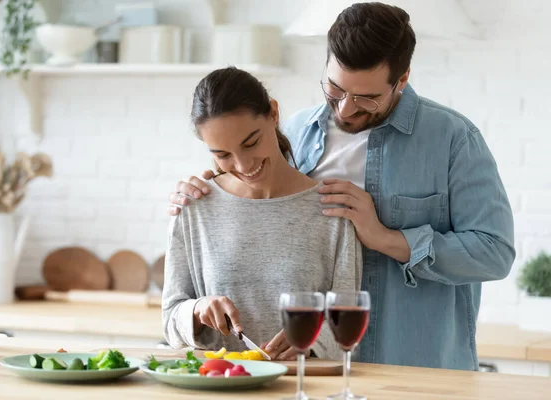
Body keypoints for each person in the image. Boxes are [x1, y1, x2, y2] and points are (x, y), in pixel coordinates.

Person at [166, 2, 515, 371]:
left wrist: (385, 238)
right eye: (335, 88)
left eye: (366, 98)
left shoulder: (452, 140)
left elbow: (495, 252)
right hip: (321, 372)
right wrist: (208, 187)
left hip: (416, 365)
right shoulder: (296, 133)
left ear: (402, 78)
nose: (346, 109)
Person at [161, 67, 363, 361]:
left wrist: (314, 342)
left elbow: (347, 322)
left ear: (274, 114)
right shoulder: (194, 207)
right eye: (222, 154)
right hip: (220, 388)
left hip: (303, 388)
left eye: (251, 142)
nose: (243, 165)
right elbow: (170, 320)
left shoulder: (332, 208)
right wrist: (197, 309)